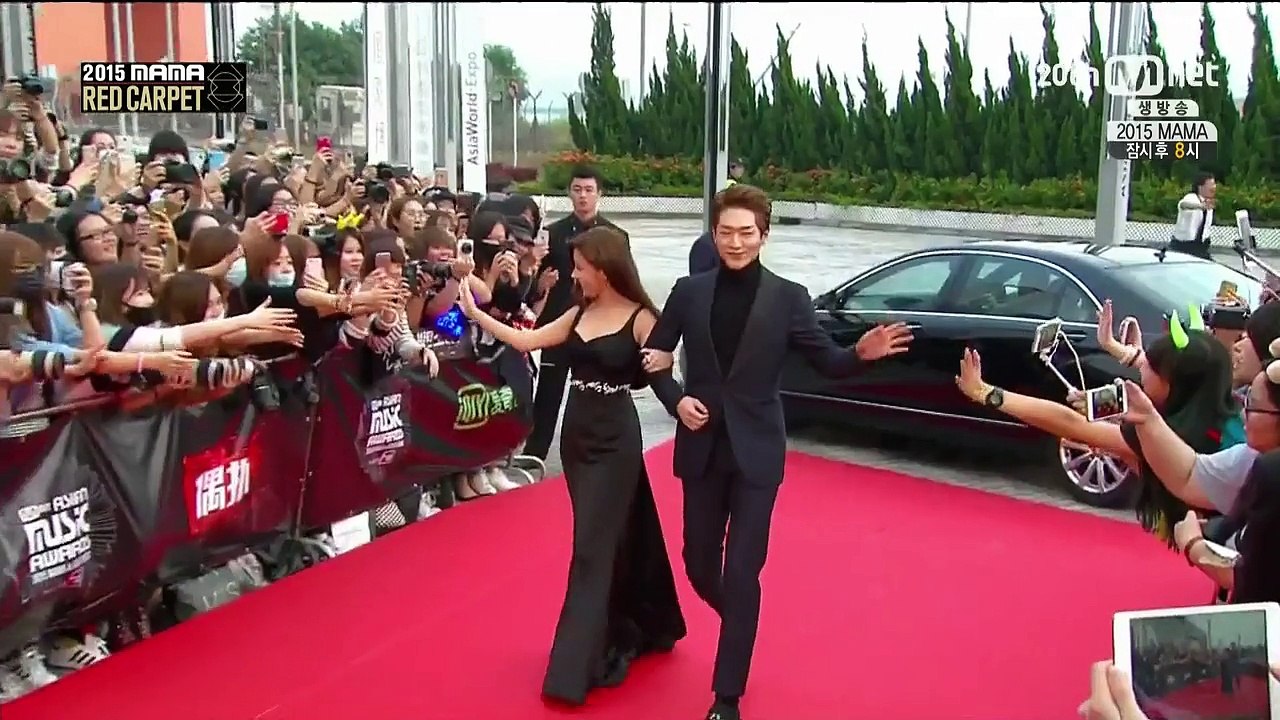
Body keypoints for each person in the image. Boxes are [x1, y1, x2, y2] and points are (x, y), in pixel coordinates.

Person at [640, 184, 913, 720]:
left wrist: (859, 354)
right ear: (713, 233)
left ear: (764, 236)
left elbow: (827, 362)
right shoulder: (688, 292)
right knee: (699, 565)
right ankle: (742, 621)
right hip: (702, 447)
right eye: (726, 232)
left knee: (742, 571)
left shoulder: (789, 298)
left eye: (746, 233)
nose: (735, 242)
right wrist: (676, 400)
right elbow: (655, 356)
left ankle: (727, 697)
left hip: (757, 453)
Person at [456, 225, 686, 705]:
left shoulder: (642, 318)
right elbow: (528, 342)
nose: (574, 276)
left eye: (580, 268)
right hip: (577, 442)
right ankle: (637, 621)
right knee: (612, 537)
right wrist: (475, 314)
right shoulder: (578, 311)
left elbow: (662, 375)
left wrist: (683, 405)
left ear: (604, 268)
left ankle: (573, 666)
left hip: (616, 443)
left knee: (590, 551)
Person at [525, 164, 627, 461]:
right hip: (559, 326)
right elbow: (533, 284)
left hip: (599, 327)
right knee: (548, 393)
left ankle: (596, 454)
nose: (583, 196)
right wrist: (539, 281)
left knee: (597, 393)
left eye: (589, 190)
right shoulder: (551, 234)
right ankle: (534, 455)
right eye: (577, 189)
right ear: (569, 193)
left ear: (599, 194)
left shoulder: (616, 236)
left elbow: (624, 282)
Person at [1169, 171, 1216, 260]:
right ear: (1201, 187)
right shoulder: (1191, 197)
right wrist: (1199, 206)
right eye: (1211, 184)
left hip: (1201, 246)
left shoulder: (1209, 203)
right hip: (1183, 246)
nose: (1214, 187)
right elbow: (1184, 205)